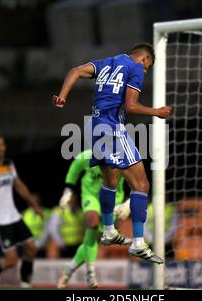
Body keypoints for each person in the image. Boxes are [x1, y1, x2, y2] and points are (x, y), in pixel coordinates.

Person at [53, 43, 172, 264]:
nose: (145, 72)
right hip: (112, 128)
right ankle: (138, 243)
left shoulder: (106, 63)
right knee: (142, 185)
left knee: (110, 182)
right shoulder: (135, 67)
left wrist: (62, 96)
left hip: (94, 128)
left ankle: (108, 230)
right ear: (145, 59)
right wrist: (157, 112)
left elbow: (75, 71)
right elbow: (131, 106)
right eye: (148, 68)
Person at [0, 133, 42, 288]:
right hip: (0, 220)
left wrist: (34, 205)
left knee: (31, 248)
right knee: (12, 260)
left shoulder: (9, 163)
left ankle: (25, 284)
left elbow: (19, 185)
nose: (0, 148)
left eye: (2, 145)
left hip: (14, 216)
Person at [56, 149, 128, 288]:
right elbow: (74, 171)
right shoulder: (86, 156)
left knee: (93, 238)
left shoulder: (123, 159)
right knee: (92, 223)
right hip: (91, 196)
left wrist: (129, 203)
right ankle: (91, 274)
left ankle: (69, 268)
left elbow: (137, 182)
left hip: (113, 200)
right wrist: (67, 192)